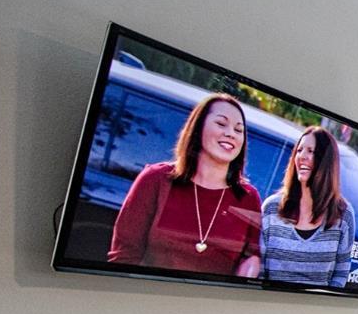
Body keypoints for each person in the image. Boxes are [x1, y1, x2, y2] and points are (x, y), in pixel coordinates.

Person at [108, 93, 262, 277]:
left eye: (239, 130)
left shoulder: (248, 197)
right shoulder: (156, 179)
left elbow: (251, 258)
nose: (231, 134)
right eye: (221, 124)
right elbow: (125, 255)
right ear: (198, 128)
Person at [260, 125, 354, 287]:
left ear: (326, 161)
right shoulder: (271, 208)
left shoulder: (343, 213)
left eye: (311, 151)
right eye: (299, 150)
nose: (302, 156)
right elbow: (259, 270)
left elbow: (341, 273)